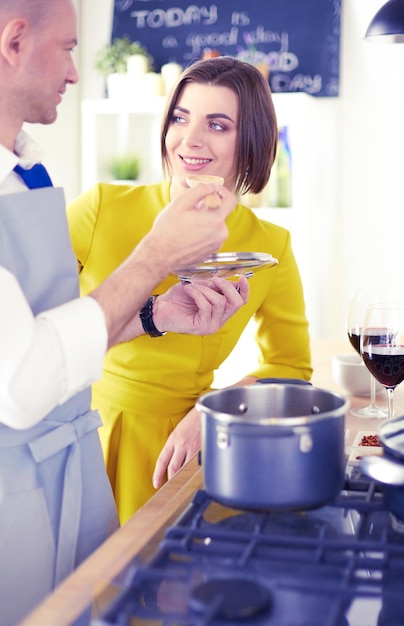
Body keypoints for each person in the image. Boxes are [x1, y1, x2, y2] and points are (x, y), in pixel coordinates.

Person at [0, 3, 249, 624]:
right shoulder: (101, 203)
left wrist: (153, 316)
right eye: (68, 48)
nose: (78, 73)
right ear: (13, 42)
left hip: (68, 478)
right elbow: (22, 383)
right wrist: (156, 254)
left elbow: (48, 338)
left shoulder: (24, 173)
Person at [67, 56, 312, 525]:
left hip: (180, 453)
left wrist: (213, 411)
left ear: (251, 142)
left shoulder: (270, 246)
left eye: (218, 125)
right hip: (83, 432)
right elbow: (35, 322)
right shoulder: (100, 208)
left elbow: (291, 366)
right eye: (180, 117)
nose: (190, 140)